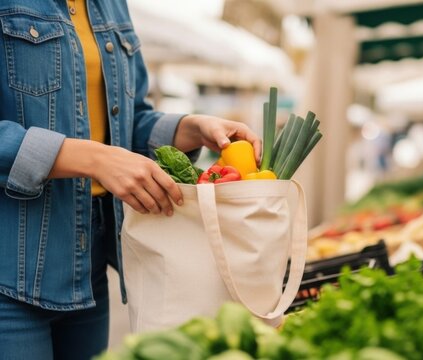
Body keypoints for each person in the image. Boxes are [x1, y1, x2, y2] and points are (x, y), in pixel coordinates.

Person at [0, 1, 262, 359]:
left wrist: (191, 128)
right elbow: (103, 151)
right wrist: (94, 158)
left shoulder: (109, 6)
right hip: (9, 265)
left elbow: (126, 120)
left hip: (90, 263)